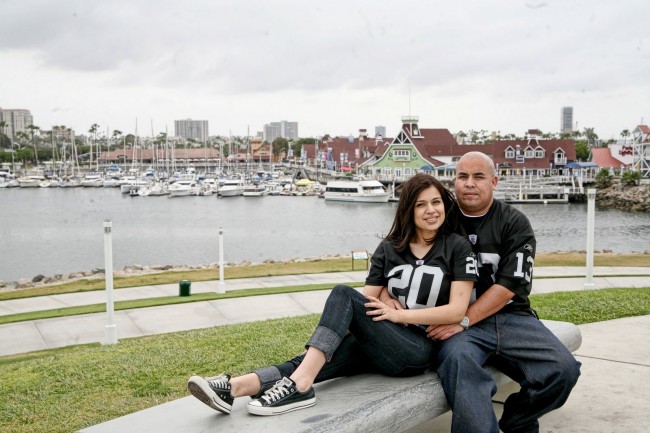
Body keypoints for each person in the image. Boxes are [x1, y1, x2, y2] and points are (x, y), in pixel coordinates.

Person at [187, 174, 478, 416]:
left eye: (436, 202)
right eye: (421, 204)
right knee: (310, 361)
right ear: (408, 211)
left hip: (418, 349)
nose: (431, 210)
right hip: (381, 340)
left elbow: (456, 311)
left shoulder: (456, 247)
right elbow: (365, 303)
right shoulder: (390, 248)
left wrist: (398, 314)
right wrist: (327, 342)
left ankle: (300, 386)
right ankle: (234, 388)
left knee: (341, 294)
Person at [424, 151, 582, 433]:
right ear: (454, 181)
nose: (469, 183)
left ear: (494, 181)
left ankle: (518, 421)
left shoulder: (513, 222)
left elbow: (510, 285)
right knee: (460, 363)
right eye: (462, 176)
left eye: (478, 176)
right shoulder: (439, 219)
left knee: (563, 370)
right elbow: (402, 256)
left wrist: (464, 320)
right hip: (458, 324)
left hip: (510, 318)